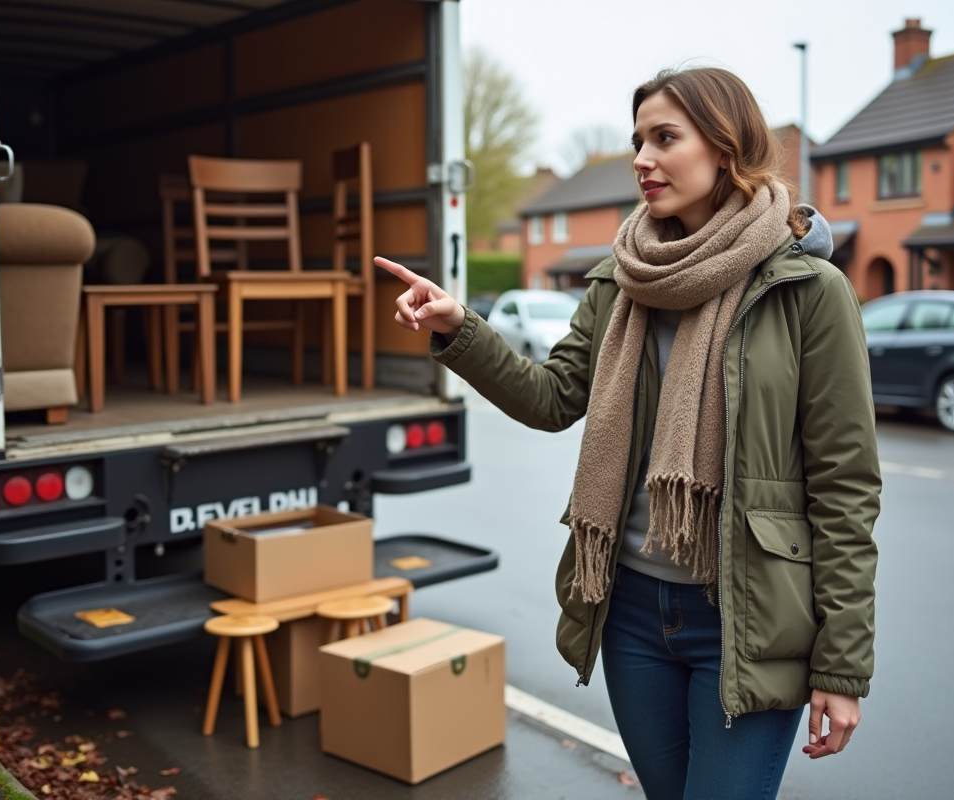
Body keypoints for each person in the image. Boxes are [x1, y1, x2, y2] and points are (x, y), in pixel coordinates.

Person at [376, 67, 880, 800]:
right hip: (633, 612)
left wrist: (841, 667)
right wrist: (460, 329)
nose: (641, 158)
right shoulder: (623, 279)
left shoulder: (807, 291)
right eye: (637, 139)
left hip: (748, 617)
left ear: (725, 147)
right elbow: (552, 398)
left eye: (664, 138)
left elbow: (845, 488)